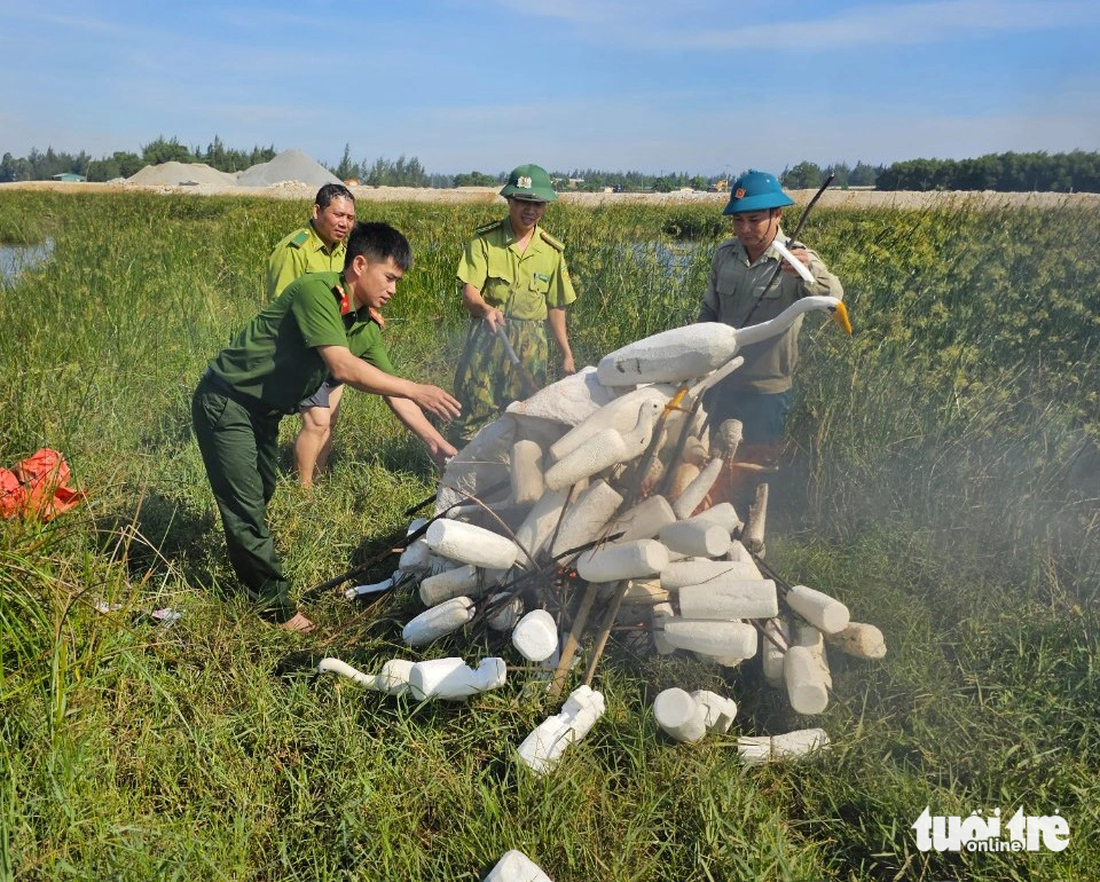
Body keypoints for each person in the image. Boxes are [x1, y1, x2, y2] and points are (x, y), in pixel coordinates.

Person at [193, 222, 460, 632]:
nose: (393, 289)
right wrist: (416, 386)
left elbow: (394, 394)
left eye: (398, 281)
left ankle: (251, 558)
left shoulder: (363, 326)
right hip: (226, 400)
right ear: (358, 265)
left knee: (260, 492)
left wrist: (436, 441)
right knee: (246, 509)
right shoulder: (315, 292)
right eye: (389, 278)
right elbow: (341, 366)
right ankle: (274, 609)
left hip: (262, 414)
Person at [698, 169, 844, 465]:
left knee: (756, 466)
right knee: (713, 460)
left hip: (766, 390)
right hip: (722, 381)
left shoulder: (798, 258)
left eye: (754, 220)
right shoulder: (725, 255)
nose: (744, 229)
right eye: (738, 220)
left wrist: (809, 273)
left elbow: (834, 296)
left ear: (777, 215)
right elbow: (708, 312)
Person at [451, 164, 577, 442]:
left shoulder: (551, 251)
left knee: (528, 418)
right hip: (489, 335)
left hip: (532, 344)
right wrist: (485, 310)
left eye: (537, 204)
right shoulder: (485, 241)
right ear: (509, 200)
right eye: (522, 201)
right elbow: (470, 292)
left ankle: (510, 478)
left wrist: (566, 353)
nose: (529, 210)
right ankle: (456, 477)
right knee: (472, 413)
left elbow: (556, 305)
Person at [266, 183, 357, 486]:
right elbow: (280, 305)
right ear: (317, 211)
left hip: (337, 347)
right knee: (316, 421)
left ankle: (318, 479)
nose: (344, 223)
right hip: (304, 349)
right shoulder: (295, 249)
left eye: (350, 217)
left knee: (330, 420)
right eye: (338, 215)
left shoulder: (346, 251)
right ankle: (303, 491)